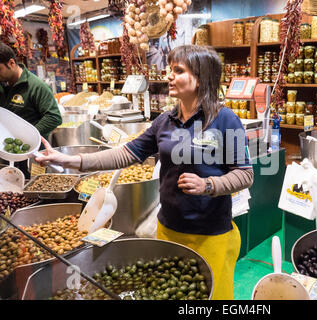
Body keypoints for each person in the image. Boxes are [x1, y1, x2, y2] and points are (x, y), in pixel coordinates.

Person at [36, 45, 254, 300]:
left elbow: (245, 174)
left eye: (178, 70)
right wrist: (69, 160)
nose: (169, 76)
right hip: (169, 230)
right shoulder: (164, 121)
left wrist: (209, 185)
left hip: (211, 235)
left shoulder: (226, 120)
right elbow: (125, 154)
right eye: (170, 69)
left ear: (200, 78)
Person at [0, 42, 62, 176]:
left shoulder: (36, 86)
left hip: (31, 155)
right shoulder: (2, 84)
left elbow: (54, 117)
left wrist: (28, 137)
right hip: (6, 151)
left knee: (32, 190)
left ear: (11, 63)